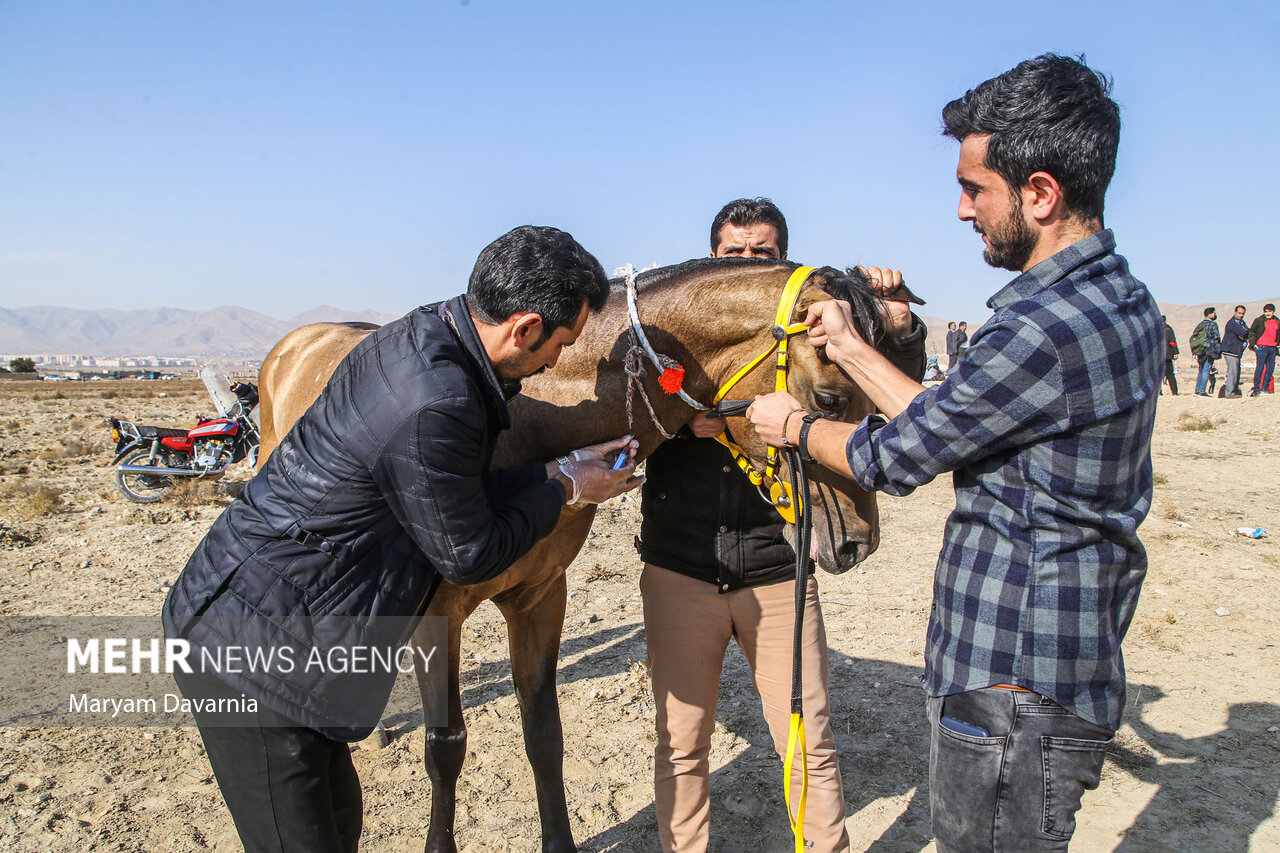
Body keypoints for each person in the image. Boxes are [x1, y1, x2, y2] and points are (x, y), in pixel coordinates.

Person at [747, 54, 1162, 852]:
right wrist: (859, 349)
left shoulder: (1038, 330)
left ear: (1040, 193)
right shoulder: (1114, 296)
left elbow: (894, 457)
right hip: (1058, 658)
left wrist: (792, 424)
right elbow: (956, 419)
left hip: (1011, 681)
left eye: (976, 188)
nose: (963, 209)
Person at [162, 225, 644, 853]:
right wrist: (566, 491)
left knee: (338, 826)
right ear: (523, 327)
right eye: (560, 344)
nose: (558, 363)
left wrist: (555, 470)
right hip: (250, 655)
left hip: (291, 633)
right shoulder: (436, 399)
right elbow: (468, 555)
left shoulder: (427, 334)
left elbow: (451, 487)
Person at [638, 197, 924, 853]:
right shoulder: (667, 337)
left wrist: (902, 329)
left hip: (776, 567)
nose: (744, 265)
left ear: (784, 262)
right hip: (679, 566)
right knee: (681, 744)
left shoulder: (815, 335)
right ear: (710, 257)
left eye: (761, 255)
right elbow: (622, 423)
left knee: (807, 738)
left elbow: (884, 397)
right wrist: (678, 420)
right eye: (732, 254)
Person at [1248, 303, 1278, 396]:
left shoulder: (1277, 321)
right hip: (1261, 347)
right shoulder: (1259, 320)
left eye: (1270, 311)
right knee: (1260, 369)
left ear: (1273, 312)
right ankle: (1257, 388)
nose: (1268, 313)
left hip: (1272, 348)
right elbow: (1252, 332)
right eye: (1266, 311)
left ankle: (1265, 388)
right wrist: (1253, 344)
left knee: (1270, 369)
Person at [1191, 307, 1221, 397]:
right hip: (1209, 350)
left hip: (1200, 350)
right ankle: (1202, 391)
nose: (1215, 315)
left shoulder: (1200, 325)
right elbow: (1216, 337)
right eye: (1214, 313)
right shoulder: (1212, 324)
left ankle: (1197, 390)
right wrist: (1218, 351)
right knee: (1206, 370)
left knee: (1201, 370)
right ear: (1210, 314)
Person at [1221, 305, 1250, 397]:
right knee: (1232, 372)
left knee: (1236, 372)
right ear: (1235, 312)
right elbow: (1244, 333)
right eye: (1239, 313)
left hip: (1236, 351)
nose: (1241, 315)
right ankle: (1229, 393)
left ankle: (1234, 391)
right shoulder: (1233, 323)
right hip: (1231, 350)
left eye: (1243, 313)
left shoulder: (1241, 323)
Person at [1162, 315, 1179, 395]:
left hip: (1157, 356)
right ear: (1165, 321)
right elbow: (1172, 342)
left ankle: (1158, 392)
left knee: (1157, 375)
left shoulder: (1155, 330)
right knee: (1170, 374)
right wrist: (1175, 352)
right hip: (1167, 355)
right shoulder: (1168, 329)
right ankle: (1174, 392)